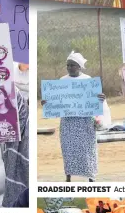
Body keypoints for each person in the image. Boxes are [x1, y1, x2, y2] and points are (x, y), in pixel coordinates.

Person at [41, 51, 105, 182]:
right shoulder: (62, 81)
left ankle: (90, 176)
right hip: (68, 123)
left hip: (85, 122)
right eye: (68, 65)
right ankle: (68, 176)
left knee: (87, 150)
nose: (70, 68)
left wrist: (101, 98)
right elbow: (57, 101)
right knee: (69, 150)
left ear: (80, 66)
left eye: (73, 65)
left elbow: (95, 101)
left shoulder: (88, 81)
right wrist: (47, 103)